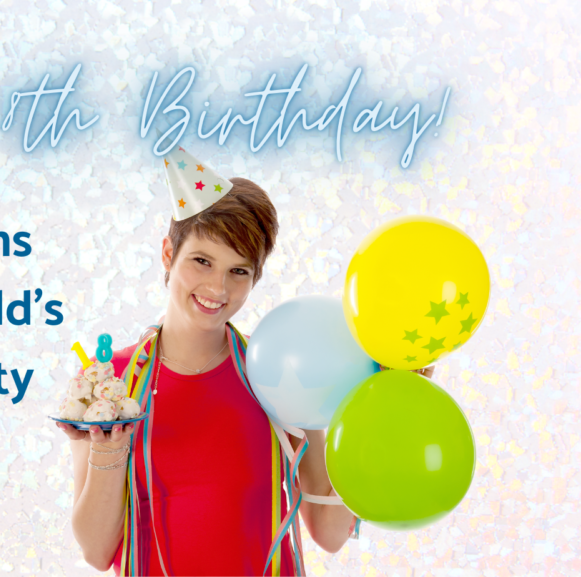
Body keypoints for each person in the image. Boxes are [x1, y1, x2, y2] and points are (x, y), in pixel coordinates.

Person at [56, 152, 367, 575]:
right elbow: (96, 551)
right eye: (202, 261)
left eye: (238, 271)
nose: (217, 288)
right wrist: (110, 449)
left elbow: (330, 534)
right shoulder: (110, 381)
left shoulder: (279, 369)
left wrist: (372, 412)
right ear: (168, 254)